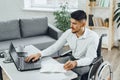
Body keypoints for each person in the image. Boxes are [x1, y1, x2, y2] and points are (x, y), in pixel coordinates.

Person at [25, 10, 99, 79]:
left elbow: (89, 59)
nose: (71, 26)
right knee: (51, 65)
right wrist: (39, 54)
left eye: (74, 23)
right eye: (71, 22)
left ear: (83, 24)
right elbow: (55, 47)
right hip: (72, 58)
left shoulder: (93, 37)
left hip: (87, 63)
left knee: (71, 74)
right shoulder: (69, 33)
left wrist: (76, 63)